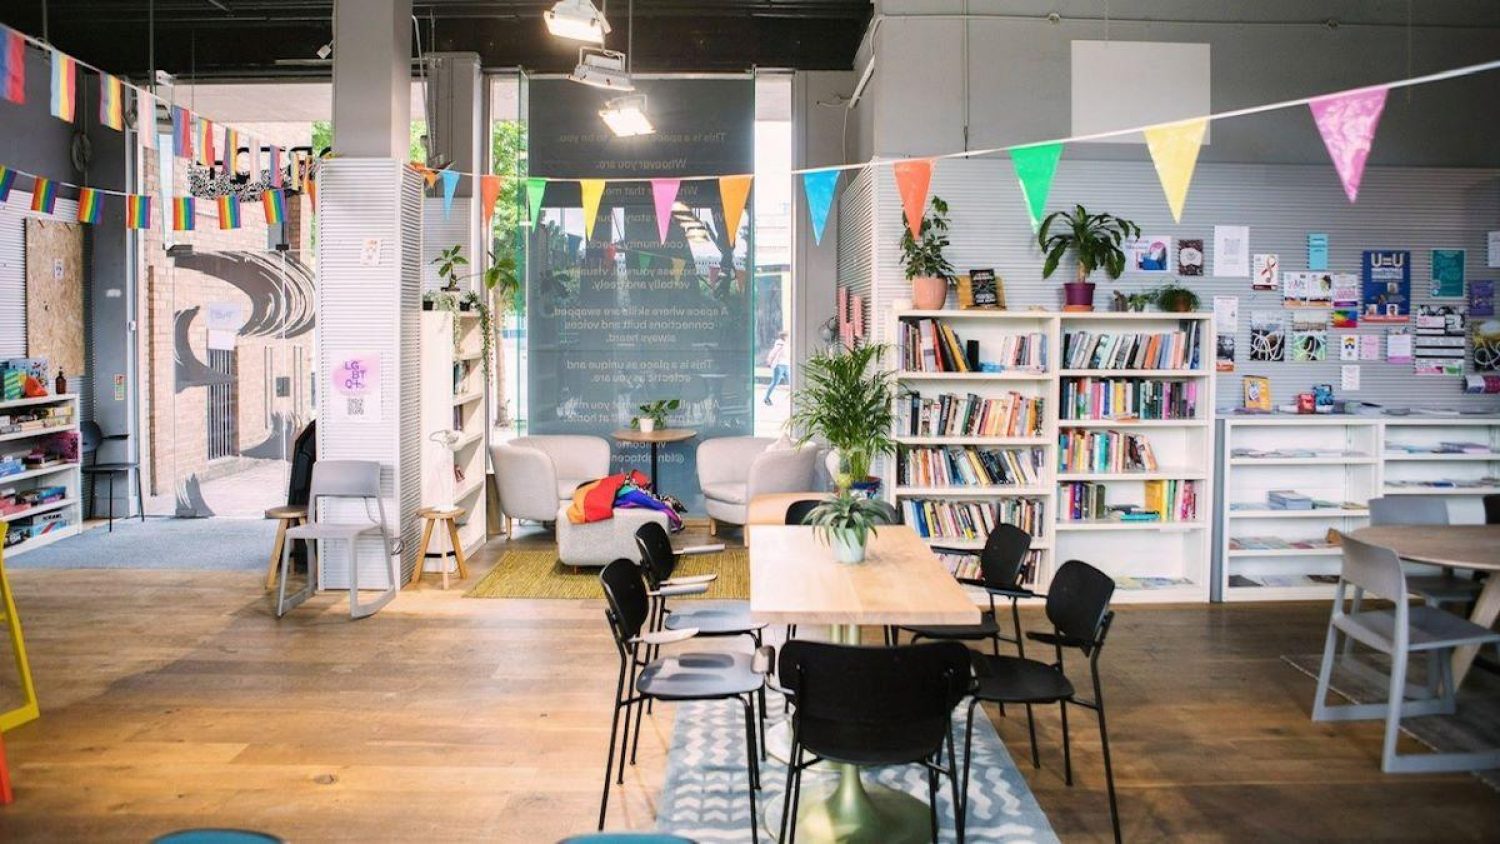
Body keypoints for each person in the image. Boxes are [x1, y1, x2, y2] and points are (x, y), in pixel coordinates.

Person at [762, 331, 789, 406]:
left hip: (786, 365)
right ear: (784, 337)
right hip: (779, 365)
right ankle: (766, 398)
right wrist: (769, 361)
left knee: (791, 382)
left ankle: (795, 399)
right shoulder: (780, 344)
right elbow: (773, 352)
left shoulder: (786, 344)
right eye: (787, 336)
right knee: (775, 382)